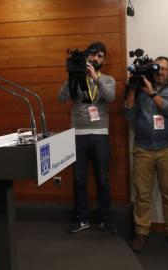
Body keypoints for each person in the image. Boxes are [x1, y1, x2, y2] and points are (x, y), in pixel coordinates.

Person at [124, 56, 168, 251]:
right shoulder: (139, 88)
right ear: (152, 70)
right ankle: (141, 233)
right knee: (142, 195)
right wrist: (133, 88)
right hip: (143, 149)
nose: (161, 72)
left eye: (165, 69)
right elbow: (128, 114)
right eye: (158, 68)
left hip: (166, 149)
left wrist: (151, 93)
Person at [58, 41, 117, 234]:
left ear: (103, 60)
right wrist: (71, 76)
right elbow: (61, 98)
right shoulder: (74, 77)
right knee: (79, 180)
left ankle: (105, 219)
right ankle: (82, 218)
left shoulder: (108, 79)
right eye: (93, 55)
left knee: (102, 180)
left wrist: (95, 79)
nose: (96, 58)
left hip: (100, 135)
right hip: (77, 135)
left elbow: (110, 97)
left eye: (100, 56)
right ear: (87, 57)